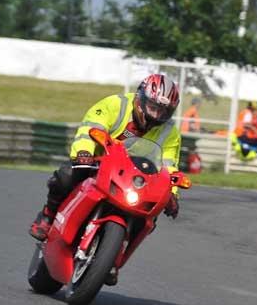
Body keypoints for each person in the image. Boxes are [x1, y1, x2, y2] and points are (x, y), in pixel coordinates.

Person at [29, 73, 183, 284]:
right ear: (141, 98)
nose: (156, 115)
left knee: (150, 215)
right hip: (98, 163)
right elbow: (90, 128)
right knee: (66, 175)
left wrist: (172, 194)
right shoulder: (115, 105)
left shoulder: (169, 132)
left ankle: (113, 260)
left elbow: (169, 166)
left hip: (135, 179)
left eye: (163, 111)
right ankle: (47, 216)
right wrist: (84, 152)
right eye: (153, 107)